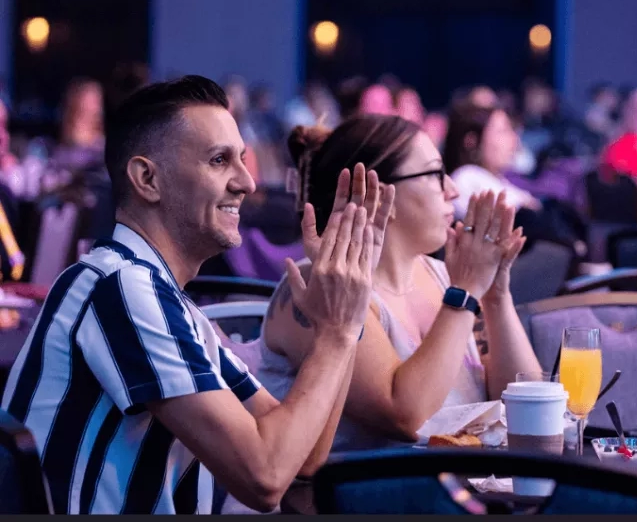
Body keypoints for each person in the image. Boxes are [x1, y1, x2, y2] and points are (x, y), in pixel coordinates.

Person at [1, 75, 393, 514]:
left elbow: (303, 460)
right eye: (220, 160)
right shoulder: (121, 288)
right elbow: (265, 477)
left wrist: (344, 319)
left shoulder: (167, 301)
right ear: (147, 178)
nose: (247, 182)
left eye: (242, 159)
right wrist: (338, 333)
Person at [256, 114, 541, 454]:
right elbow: (405, 417)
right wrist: (465, 294)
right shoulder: (322, 284)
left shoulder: (443, 275)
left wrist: (495, 294)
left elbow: (528, 400)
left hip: (455, 493)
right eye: (436, 174)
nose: (452, 190)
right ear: (378, 195)